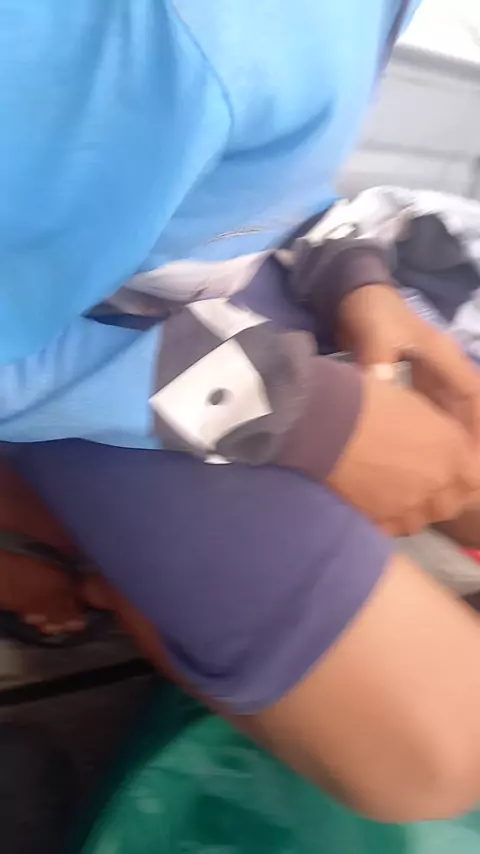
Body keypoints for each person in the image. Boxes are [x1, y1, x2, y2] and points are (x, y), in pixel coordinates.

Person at [3, 0, 480, 823]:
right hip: (79, 352)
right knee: (440, 760)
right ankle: (56, 523)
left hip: (192, 295)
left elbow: (243, 169)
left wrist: (349, 273)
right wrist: (298, 414)